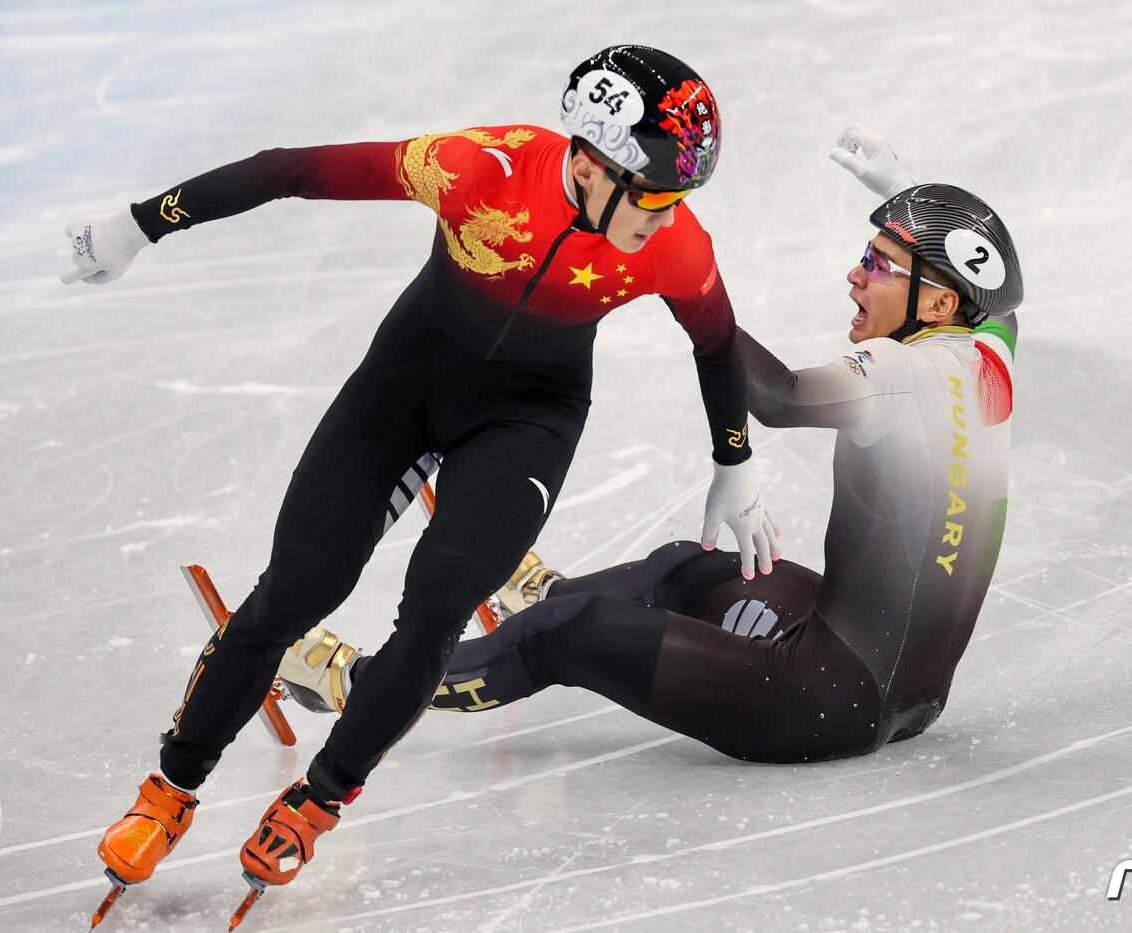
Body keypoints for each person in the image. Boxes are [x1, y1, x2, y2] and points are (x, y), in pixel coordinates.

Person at [65, 45, 780, 921]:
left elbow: (717, 341)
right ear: (591, 164)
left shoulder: (675, 245)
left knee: (440, 600)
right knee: (296, 589)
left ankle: (318, 799)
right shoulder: (480, 168)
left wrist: (734, 460)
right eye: (658, 196)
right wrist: (141, 223)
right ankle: (169, 789)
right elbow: (291, 170)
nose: (669, 219)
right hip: (404, 387)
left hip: (529, 417)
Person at [279, 127, 1023, 768]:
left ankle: (354, 682)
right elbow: (990, 297)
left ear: (938, 303)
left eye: (879, 265)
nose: (855, 275)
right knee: (684, 569)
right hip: (901, 684)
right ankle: (545, 594)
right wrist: (909, 199)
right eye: (867, 254)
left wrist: (681, 286)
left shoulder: (894, 373)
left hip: (824, 698)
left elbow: (780, 396)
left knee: (569, 637)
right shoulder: (991, 354)